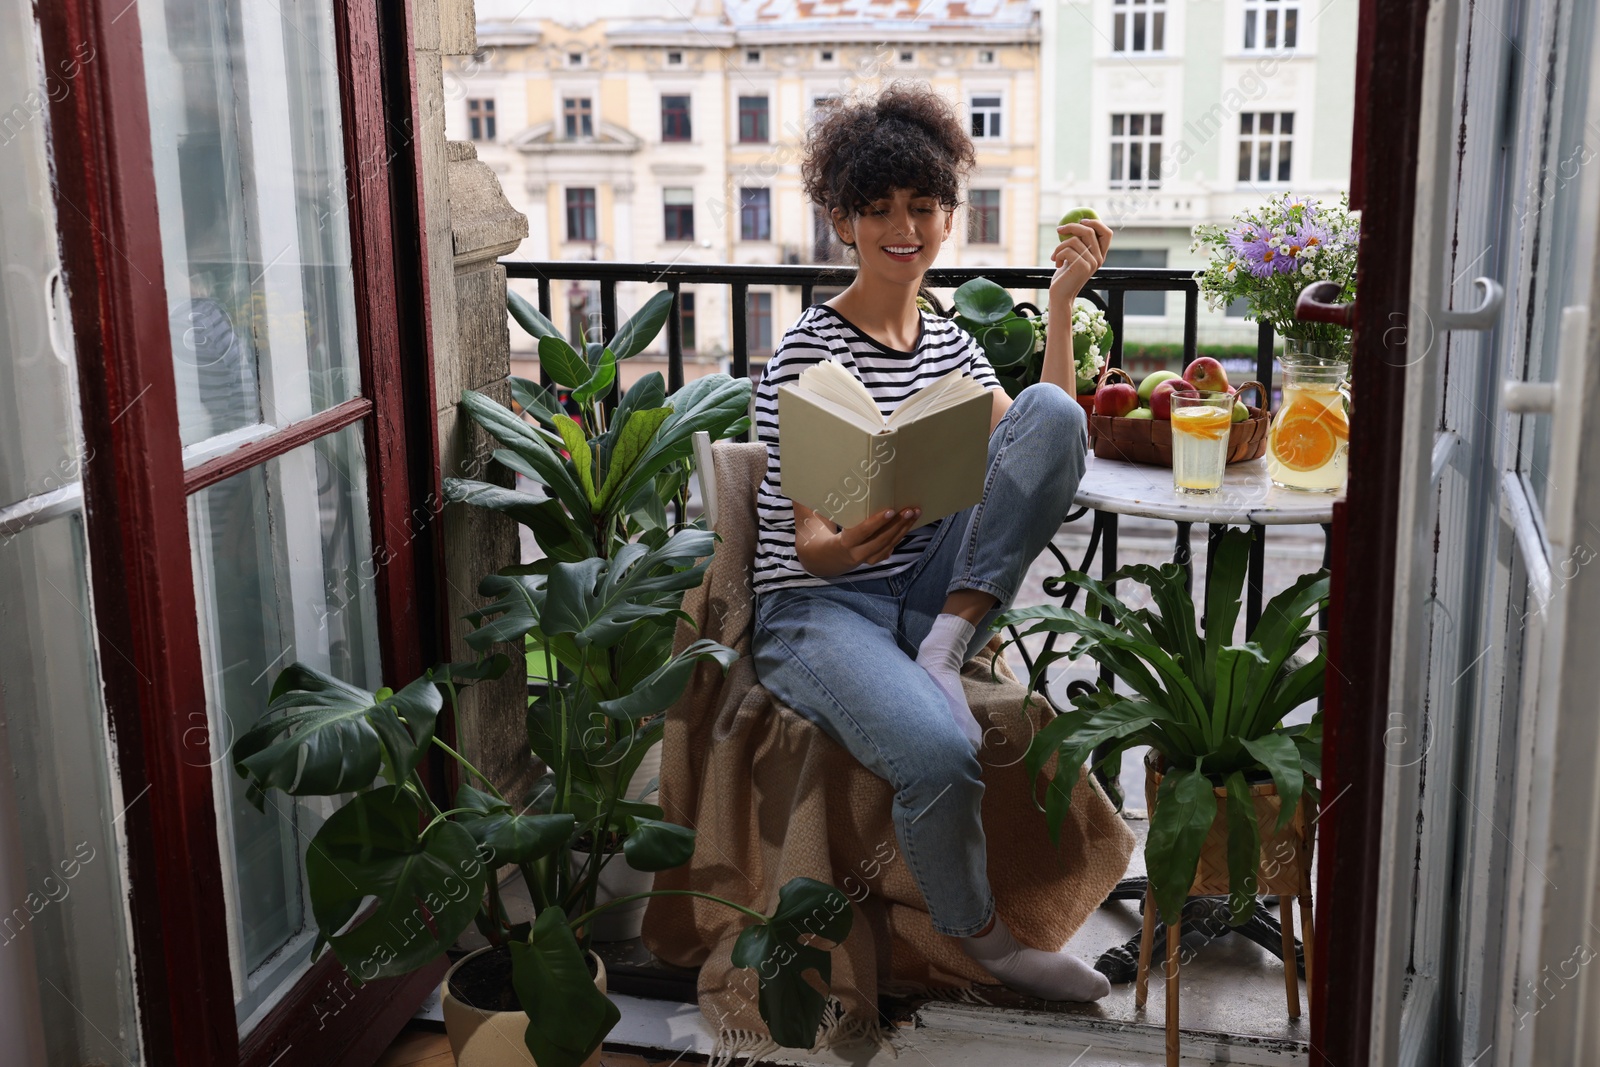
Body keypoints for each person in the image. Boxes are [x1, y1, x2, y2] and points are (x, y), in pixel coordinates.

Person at [749, 83, 1114, 1003]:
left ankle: (948, 644)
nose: (902, 227)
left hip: (921, 599)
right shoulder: (806, 351)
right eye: (877, 210)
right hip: (819, 605)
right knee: (939, 756)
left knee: (1047, 409)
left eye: (922, 206)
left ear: (949, 217)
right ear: (842, 220)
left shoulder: (948, 340)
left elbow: (1047, 435)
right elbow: (812, 545)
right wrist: (855, 544)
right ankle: (985, 941)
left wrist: (1062, 304)